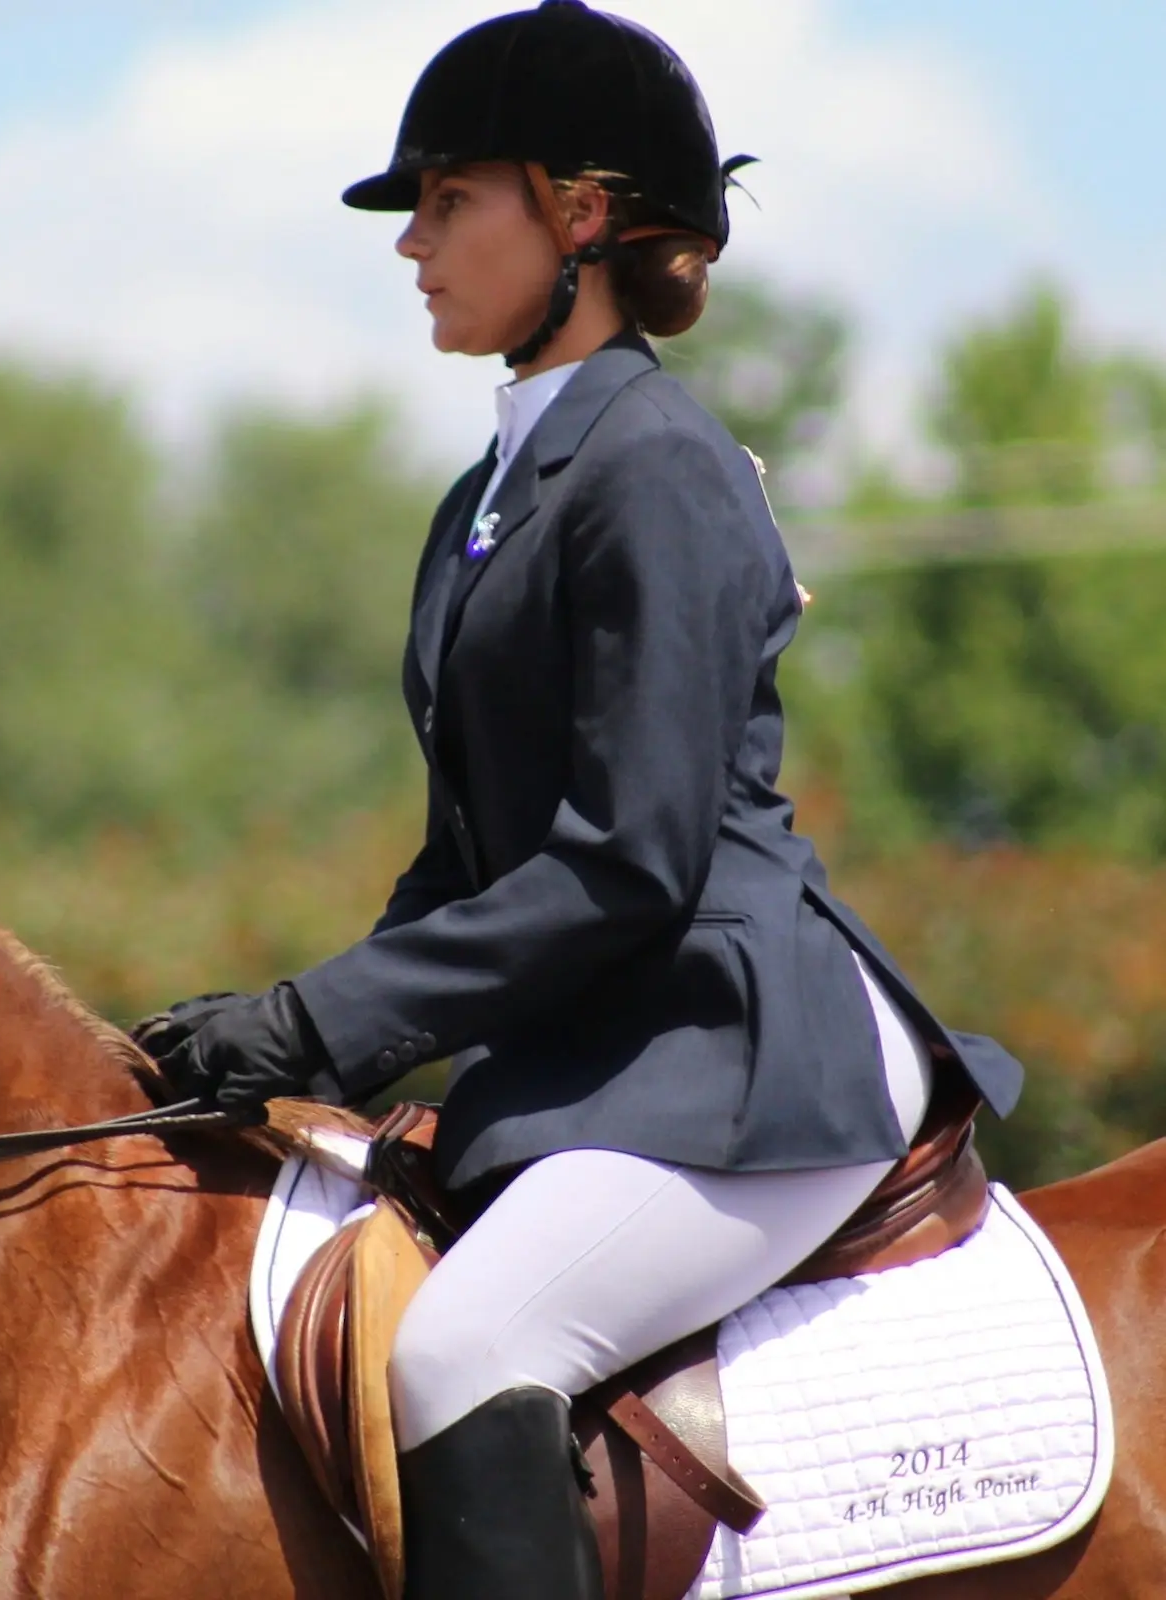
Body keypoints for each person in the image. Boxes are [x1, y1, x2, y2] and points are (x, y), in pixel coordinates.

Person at [132, 5, 1025, 1597]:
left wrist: (326, 1021)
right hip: (615, 1053)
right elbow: (469, 862)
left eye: (447, 200)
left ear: (582, 216)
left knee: (467, 1345)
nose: (410, 242)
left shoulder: (659, 466)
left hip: (743, 1052)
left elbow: (630, 862)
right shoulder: (485, 499)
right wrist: (290, 1030)